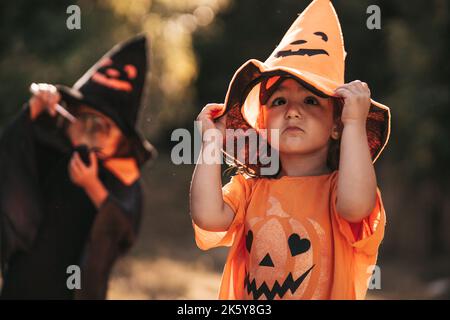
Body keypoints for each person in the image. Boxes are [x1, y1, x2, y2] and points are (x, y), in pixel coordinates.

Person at [190, 0, 391, 300]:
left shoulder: (339, 191)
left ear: (336, 125)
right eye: (279, 101)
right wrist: (210, 145)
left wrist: (354, 124)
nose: (293, 111)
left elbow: (355, 207)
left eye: (311, 101)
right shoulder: (249, 190)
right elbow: (207, 216)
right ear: (262, 124)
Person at [0, 35, 156, 299]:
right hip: (22, 282)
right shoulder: (51, 148)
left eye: (101, 127)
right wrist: (33, 111)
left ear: (122, 140)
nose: (88, 132)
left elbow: (122, 231)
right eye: (83, 119)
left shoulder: (123, 179)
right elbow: (10, 161)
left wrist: (93, 187)